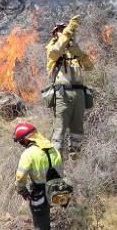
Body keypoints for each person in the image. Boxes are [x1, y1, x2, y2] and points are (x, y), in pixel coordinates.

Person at [45, 14, 93, 154]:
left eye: (65, 29)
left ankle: (75, 160)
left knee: (78, 130)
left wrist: (80, 53)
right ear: (55, 33)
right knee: (59, 129)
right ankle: (56, 161)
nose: (64, 32)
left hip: (79, 94)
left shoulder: (73, 49)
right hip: (62, 94)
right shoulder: (52, 47)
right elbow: (55, 52)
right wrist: (68, 32)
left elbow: (90, 67)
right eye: (61, 29)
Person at [14, 121, 64, 230]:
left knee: (41, 225)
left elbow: (20, 177)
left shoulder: (28, 153)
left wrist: (22, 190)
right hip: (56, 189)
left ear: (27, 139)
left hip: (39, 193)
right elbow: (60, 170)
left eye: (21, 142)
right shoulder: (53, 149)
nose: (22, 145)